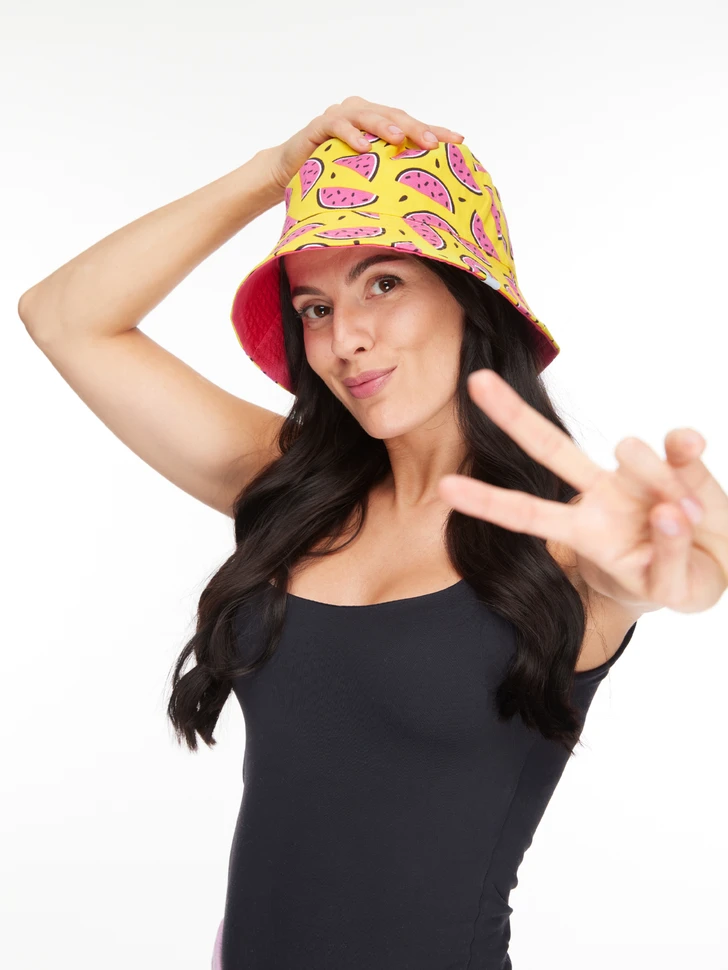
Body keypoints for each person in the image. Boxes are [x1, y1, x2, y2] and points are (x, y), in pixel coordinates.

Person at [18, 96, 726, 970]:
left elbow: (649, 576)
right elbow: (63, 315)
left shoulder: (567, 542)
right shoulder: (292, 489)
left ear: (470, 299)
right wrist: (271, 173)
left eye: (384, 284)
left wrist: (675, 567)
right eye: (314, 307)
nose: (345, 338)